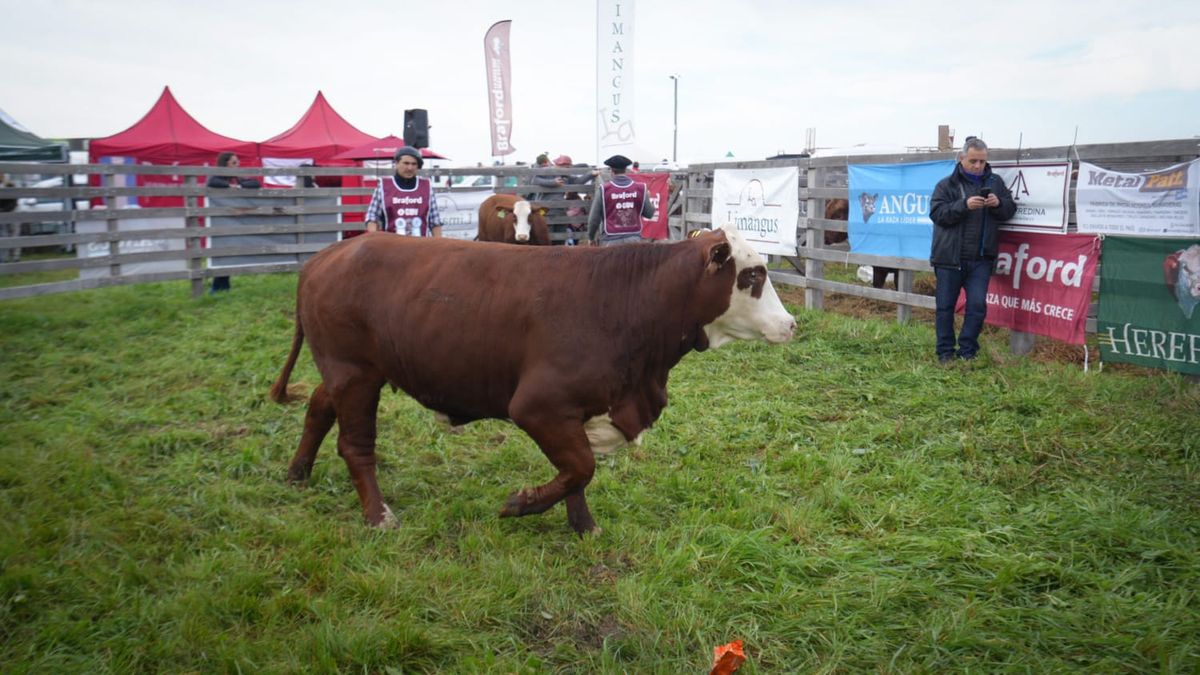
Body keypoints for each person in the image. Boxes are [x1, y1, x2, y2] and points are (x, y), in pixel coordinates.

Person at [928, 136, 1017, 363]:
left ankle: (968, 351)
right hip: (949, 258)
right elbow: (937, 214)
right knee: (945, 307)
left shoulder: (995, 183)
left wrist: (999, 204)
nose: (978, 166)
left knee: (977, 306)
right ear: (962, 158)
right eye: (973, 161)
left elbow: (1010, 210)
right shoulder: (946, 185)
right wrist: (963, 205)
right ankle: (945, 353)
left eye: (982, 161)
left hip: (980, 258)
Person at [206, 152, 261, 293]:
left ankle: (223, 287)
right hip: (221, 220)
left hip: (235, 218)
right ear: (226, 164)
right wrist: (230, 186)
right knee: (222, 251)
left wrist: (239, 186)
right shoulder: (218, 177)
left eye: (238, 162)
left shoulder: (237, 178)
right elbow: (212, 182)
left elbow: (256, 183)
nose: (238, 164)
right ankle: (217, 287)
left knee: (229, 252)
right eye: (234, 162)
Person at [365, 146, 442, 237]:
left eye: (414, 164)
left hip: (421, 243)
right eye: (406, 163)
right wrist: (375, 238)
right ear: (396, 163)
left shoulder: (427, 186)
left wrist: (438, 242)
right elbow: (372, 217)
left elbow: (435, 222)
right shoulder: (383, 186)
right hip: (391, 243)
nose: (410, 168)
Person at [587, 154, 655, 247]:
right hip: (634, 240)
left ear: (611, 171)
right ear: (625, 169)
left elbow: (594, 219)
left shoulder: (604, 190)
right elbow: (649, 214)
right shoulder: (641, 188)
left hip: (611, 240)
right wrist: (649, 199)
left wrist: (591, 237)